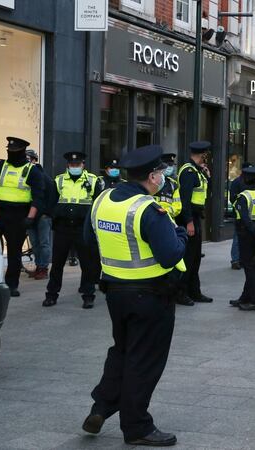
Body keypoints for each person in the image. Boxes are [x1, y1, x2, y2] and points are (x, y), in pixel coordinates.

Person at [82, 144, 187, 446]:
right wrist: (179, 234)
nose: (165, 176)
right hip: (151, 297)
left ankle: (101, 407)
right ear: (153, 176)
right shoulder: (148, 209)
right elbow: (170, 255)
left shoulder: (103, 200)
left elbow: (88, 241)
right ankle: (137, 426)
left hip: (115, 292)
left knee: (122, 352)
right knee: (144, 361)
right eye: (162, 172)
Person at [42, 152, 103, 309]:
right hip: (63, 228)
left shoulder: (93, 180)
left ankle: (88, 296)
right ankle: (51, 295)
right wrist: (56, 215)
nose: (75, 167)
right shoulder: (59, 180)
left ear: (83, 165)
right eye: (72, 165)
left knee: (87, 265)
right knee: (57, 264)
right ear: (67, 165)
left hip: (82, 228)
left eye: (78, 164)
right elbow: (51, 202)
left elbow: (98, 205)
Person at [0, 137, 45, 297]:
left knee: (14, 253)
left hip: (19, 215)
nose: (10, 153)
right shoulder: (0, 166)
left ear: (22, 152)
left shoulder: (32, 170)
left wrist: (30, 218)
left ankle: (11, 285)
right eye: (9, 150)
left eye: (14, 151)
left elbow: (38, 197)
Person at [176, 141, 213, 305]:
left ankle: (194, 291)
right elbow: (184, 200)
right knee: (188, 258)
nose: (207, 157)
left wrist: (207, 176)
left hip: (196, 217)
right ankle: (180, 292)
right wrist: (188, 222)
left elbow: (205, 192)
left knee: (195, 257)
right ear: (201, 154)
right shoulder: (189, 171)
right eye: (206, 154)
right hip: (188, 218)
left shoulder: (198, 171)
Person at [230, 165, 255, 312]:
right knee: (253, 266)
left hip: (247, 236)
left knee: (250, 268)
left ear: (244, 179)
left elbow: (246, 220)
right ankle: (245, 297)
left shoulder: (243, 197)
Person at [25, 148, 53, 280]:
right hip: (30, 216)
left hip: (42, 217)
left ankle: (43, 268)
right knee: (35, 243)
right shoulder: (25, 176)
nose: (26, 161)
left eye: (28, 158)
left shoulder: (43, 176)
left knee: (43, 243)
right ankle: (38, 266)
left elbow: (52, 196)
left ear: (35, 160)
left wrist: (46, 213)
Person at [229, 163, 251, 270]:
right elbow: (232, 198)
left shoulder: (249, 181)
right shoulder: (237, 182)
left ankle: (242, 259)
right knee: (237, 237)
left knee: (245, 238)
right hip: (239, 214)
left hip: (249, 214)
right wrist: (239, 206)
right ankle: (235, 260)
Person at [153, 154, 182, 220]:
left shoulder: (173, 184)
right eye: (168, 165)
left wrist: (164, 211)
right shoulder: (152, 180)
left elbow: (177, 207)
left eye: (171, 165)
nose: (170, 167)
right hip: (152, 219)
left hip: (168, 221)